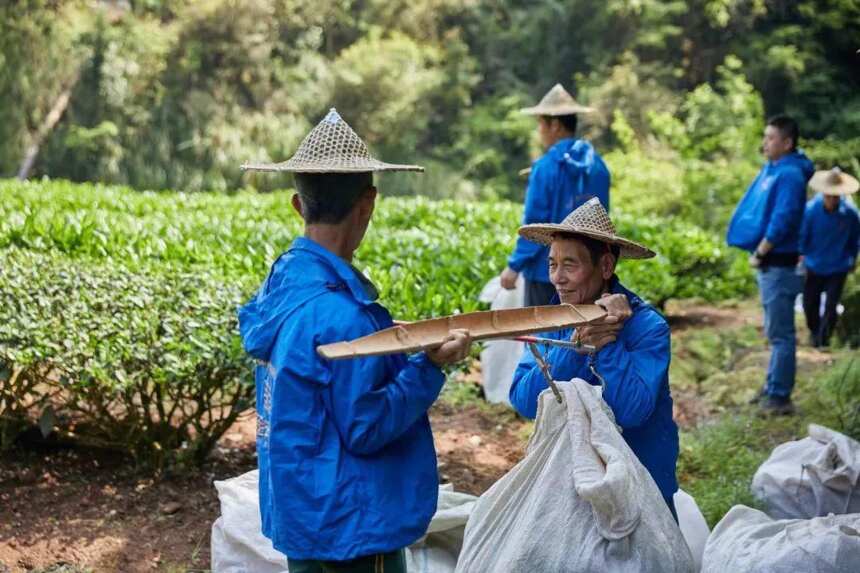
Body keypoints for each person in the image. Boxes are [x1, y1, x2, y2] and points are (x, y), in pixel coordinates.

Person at [238, 109, 472, 573]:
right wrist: (430, 367)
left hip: (301, 518)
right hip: (352, 529)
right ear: (368, 204)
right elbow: (367, 427)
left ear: (298, 205)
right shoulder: (345, 316)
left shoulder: (281, 287)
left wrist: (389, 342)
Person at [508, 198, 680, 520]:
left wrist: (607, 345)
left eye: (570, 265)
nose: (557, 277)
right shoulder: (550, 322)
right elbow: (525, 401)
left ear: (605, 267)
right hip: (568, 482)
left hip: (640, 483)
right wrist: (575, 343)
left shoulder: (648, 328)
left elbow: (631, 412)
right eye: (552, 264)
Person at [726, 115, 814, 415]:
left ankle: (779, 397)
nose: (765, 143)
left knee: (782, 335)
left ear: (787, 143)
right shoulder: (780, 169)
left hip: (778, 265)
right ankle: (773, 386)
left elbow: (784, 218)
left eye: (771, 138)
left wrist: (761, 252)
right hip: (774, 266)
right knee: (776, 331)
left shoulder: (789, 175)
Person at [500, 83, 610, 307]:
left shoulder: (546, 167)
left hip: (546, 272)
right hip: (589, 273)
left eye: (541, 124)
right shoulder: (599, 167)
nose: (539, 131)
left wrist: (514, 266)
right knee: (583, 336)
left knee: (544, 337)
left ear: (555, 126)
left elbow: (534, 222)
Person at [800, 167, 860, 348]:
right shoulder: (810, 211)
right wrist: (801, 254)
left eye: (836, 196)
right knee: (810, 302)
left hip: (838, 265)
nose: (832, 199)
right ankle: (814, 332)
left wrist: (852, 258)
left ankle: (823, 340)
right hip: (814, 263)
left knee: (831, 306)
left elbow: (855, 239)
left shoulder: (850, 213)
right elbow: (802, 235)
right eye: (829, 195)